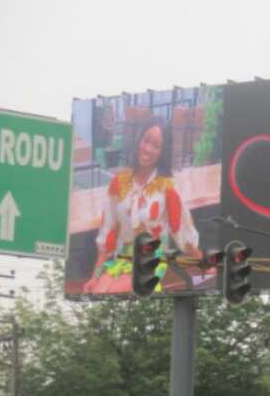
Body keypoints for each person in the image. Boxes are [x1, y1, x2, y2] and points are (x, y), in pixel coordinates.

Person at [84, 118, 201, 293]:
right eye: (146, 140)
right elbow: (109, 230)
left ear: (163, 151)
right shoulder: (119, 182)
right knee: (97, 292)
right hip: (121, 259)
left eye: (156, 145)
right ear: (139, 140)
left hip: (150, 261)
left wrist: (202, 260)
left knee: (113, 292)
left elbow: (180, 229)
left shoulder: (166, 187)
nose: (148, 149)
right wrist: (95, 276)